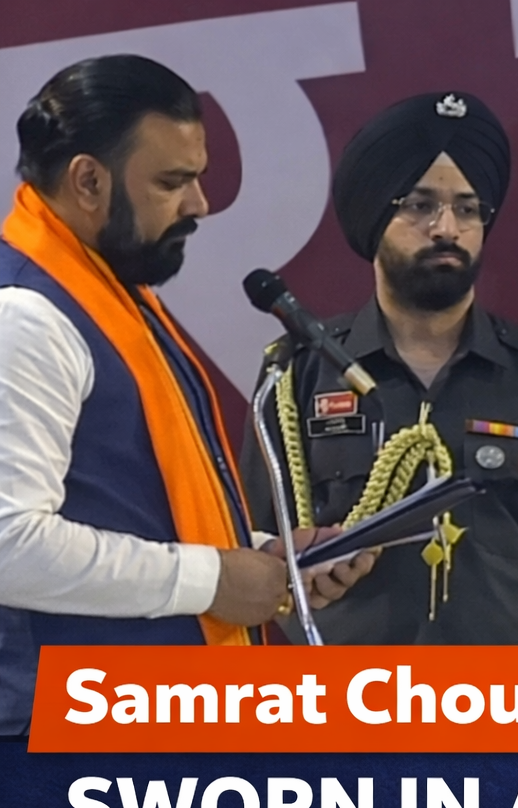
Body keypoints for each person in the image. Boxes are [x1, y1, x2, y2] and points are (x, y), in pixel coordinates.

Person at [0, 55, 370, 734]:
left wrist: (264, 554)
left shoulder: (110, 293)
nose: (200, 204)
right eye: (174, 182)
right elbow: (8, 545)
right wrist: (213, 581)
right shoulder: (24, 316)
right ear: (88, 180)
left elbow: (121, 503)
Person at [240, 92, 518, 646]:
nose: (446, 227)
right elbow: (254, 560)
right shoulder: (297, 377)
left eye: (468, 209)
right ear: (376, 217)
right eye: (420, 205)